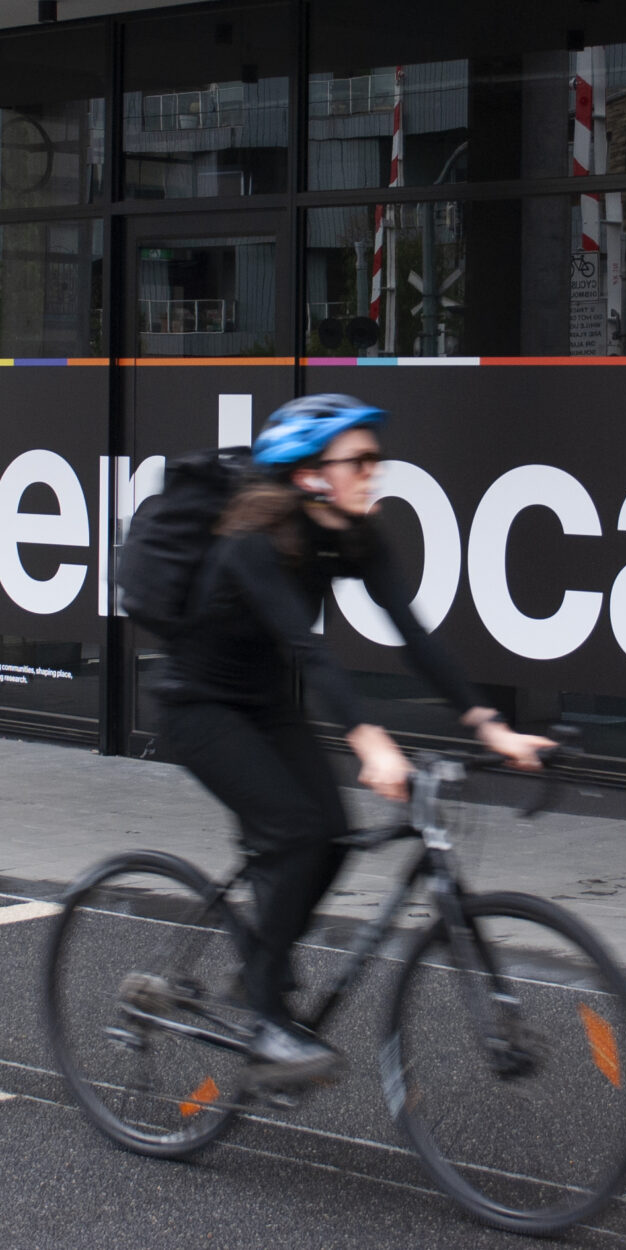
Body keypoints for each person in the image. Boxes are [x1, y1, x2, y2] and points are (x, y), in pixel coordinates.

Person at [152, 393, 553, 1084]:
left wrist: (488, 723)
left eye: (377, 458)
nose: (375, 472)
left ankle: (257, 979)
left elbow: (415, 634)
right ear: (310, 474)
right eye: (359, 459)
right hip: (199, 708)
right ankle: (266, 1019)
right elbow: (309, 650)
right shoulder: (251, 544)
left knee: (330, 834)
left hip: (267, 706)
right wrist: (368, 739)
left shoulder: (354, 535)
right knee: (297, 830)